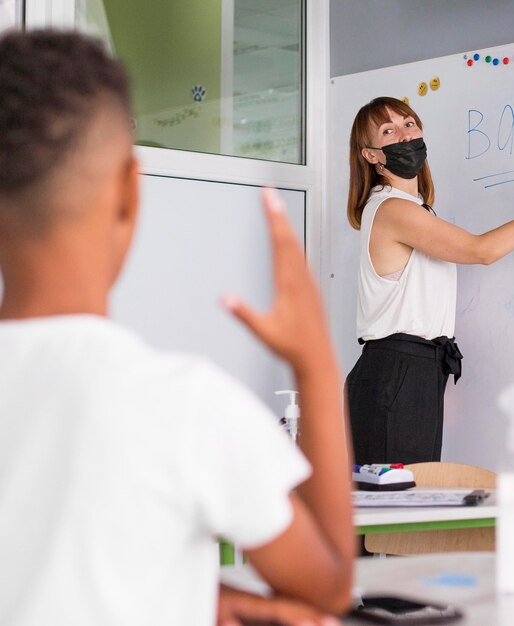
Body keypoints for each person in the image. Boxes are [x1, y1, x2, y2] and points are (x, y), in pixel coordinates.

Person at [0, 30, 354, 625]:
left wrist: (201, 597)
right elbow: (330, 584)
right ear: (128, 194)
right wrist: (315, 361)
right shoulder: (182, 403)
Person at [345, 96, 514, 466]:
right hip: (396, 373)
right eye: (388, 131)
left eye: (409, 123)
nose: (404, 135)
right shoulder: (393, 210)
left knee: (411, 508)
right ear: (372, 155)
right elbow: (481, 251)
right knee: (395, 513)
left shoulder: (416, 209)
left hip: (415, 371)